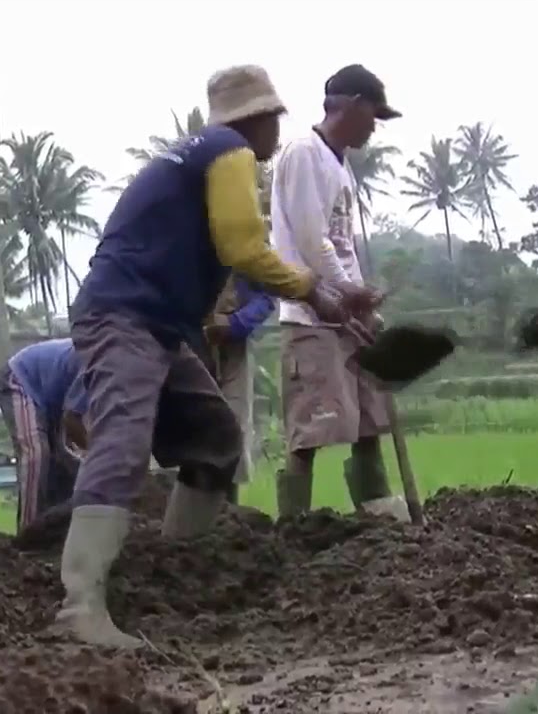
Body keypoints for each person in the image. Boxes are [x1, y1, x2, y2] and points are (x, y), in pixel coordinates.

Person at [56, 64, 381, 649]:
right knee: (124, 439)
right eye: (274, 119)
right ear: (259, 119)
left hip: (157, 323)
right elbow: (243, 247)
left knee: (215, 437)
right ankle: (80, 606)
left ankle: (173, 574)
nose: (277, 132)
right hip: (125, 316)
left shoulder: (198, 156)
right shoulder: (228, 150)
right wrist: (317, 293)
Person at [270, 64, 408, 521]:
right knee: (311, 430)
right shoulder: (304, 153)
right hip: (312, 317)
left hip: (346, 316)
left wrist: (361, 299)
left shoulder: (338, 164)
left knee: (369, 420)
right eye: (374, 115)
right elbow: (312, 240)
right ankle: (292, 530)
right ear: (352, 106)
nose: (375, 126)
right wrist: (351, 290)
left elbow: (342, 244)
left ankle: (380, 519)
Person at [0, 339, 90, 537]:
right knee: (35, 454)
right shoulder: (99, 364)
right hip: (21, 379)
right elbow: (72, 421)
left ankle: (62, 536)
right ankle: (27, 535)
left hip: (57, 400)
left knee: (69, 465)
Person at [203, 274, 275, 502]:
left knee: (233, 430)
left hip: (232, 349)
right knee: (188, 436)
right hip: (183, 343)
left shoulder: (242, 247)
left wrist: (236, 323)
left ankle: (229, 519)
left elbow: (266, 298)